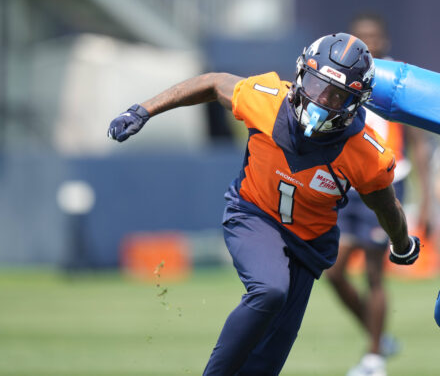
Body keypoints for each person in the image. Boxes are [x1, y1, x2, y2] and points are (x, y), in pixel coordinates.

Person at [107, 32, 421, 375]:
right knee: (270, 290)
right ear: (301, 75)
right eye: (316, 86)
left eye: (336, 95)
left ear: (355, 102)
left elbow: (386, 206)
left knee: (268, 362)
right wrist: (144, 109)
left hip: (308, 246)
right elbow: (213, 83)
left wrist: (402, 243)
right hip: (253, 216)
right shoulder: (266, 100)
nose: (320, 101)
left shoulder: (364, 153)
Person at [323, 13, 430, 376]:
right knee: (334, 272)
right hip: (345, 183)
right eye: (361, 36)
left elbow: (418, 142)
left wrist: (427, 201)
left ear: (384, 40)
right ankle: (377, 336)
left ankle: (373, 358)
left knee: (373, 274)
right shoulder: (342, 75)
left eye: (374, 36)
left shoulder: (397, 80)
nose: (369, 41)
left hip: (385, 181)